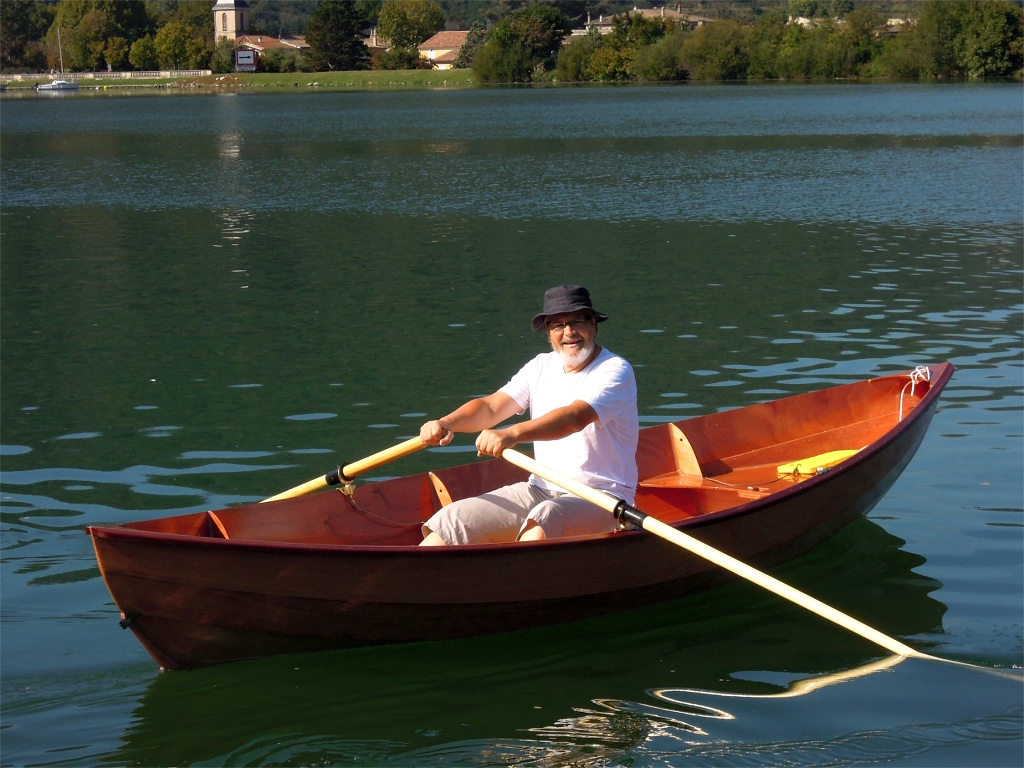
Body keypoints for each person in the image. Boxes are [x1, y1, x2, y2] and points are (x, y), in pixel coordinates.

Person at [419, 285, 638, 546]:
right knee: (452, 520)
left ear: (593, 325)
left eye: (577, 321)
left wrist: (512, 434)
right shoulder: (541, 366)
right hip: (538, 489)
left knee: (544, 519)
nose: (569, 332)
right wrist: (446, 422)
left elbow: (574, 418)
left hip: (601, 498)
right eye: (558, 325)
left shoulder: (614, 370)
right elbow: (491, 408)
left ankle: (510, 580)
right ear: (548, 334)